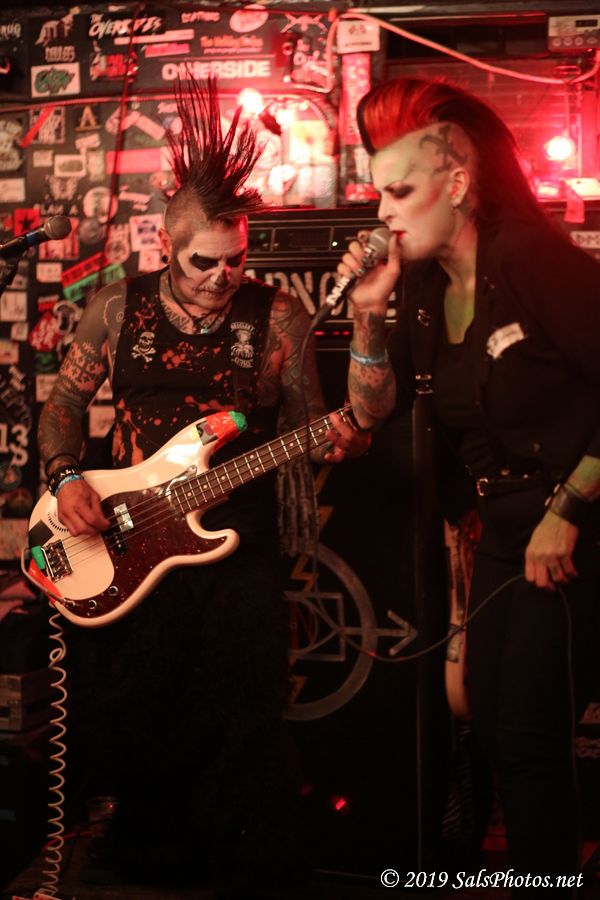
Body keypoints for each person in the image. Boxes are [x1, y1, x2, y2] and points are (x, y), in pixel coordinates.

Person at [37, 76, 367, 900]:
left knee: (242, 717)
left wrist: (343, 436)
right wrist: (66, 477)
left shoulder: (278, 318)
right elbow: (64, 405)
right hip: (126, 540)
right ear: (166, 243)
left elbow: (319, 429)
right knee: (137, 710)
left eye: (236, 259)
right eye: (203, 261)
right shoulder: (116, 309)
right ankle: (148, 862)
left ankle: (247, 869)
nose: (223, 275)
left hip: (236, 545)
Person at [341, 76, 600, 892]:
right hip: (504, 532)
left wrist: (570, 507)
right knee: (487, 719)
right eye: (377, 192)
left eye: (399, 192)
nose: (381, 212)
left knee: (528, 736)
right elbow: (371, 409)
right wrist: (369, 312)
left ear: (455, 184)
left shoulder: (526, 256)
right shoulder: (421, 288)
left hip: (576, 523)